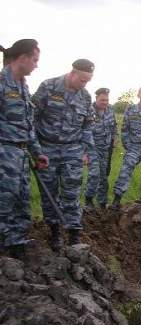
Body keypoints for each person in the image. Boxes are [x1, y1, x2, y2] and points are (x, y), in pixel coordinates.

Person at [32, 58, 95, 251]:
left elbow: (87, 125)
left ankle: (74, 234)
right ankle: (55, 234)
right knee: (49, 192)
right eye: (83, 80)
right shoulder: (48, 87)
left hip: (73, 151)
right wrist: (35, 149)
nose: (85, 84)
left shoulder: (85, 96)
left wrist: (85, 150)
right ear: (73, 72)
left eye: (88, 81)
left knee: (72, 193)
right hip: (47, 149)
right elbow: (31, 118)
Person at [0, 39, 48, 256]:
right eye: (35, 60)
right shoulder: (2, 82)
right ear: (23, 58)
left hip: (20, 155)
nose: (36, 65)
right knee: (3, 203)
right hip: (3, 153)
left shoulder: (23, 86)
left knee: (21, 203)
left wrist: (37, 152)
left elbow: (28, 125)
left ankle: (15, 246)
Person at [84, 88, 117, 209]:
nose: (105, 102)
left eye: (107, 100)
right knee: (94, 174)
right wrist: (84, 152)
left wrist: (114, 139)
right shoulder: (88, 111)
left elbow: (114, 128)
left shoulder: (110, 111)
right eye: (102, 100)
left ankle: (102, 202)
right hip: (92, 148)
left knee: (104, 176)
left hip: (106, 149)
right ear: (96, 98)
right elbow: (83, 130)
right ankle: (88, 200)